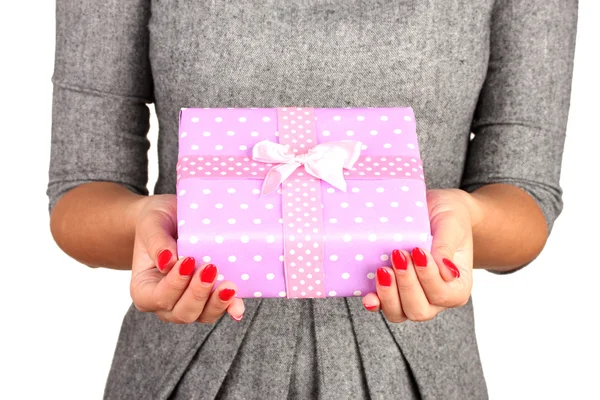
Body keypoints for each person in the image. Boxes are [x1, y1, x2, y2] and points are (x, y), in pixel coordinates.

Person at [47, 1, 578, 399]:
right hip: (183, 364)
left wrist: (466, 217)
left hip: (419, 374)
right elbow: (81, 191)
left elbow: (525, 195)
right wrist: (152, 225)